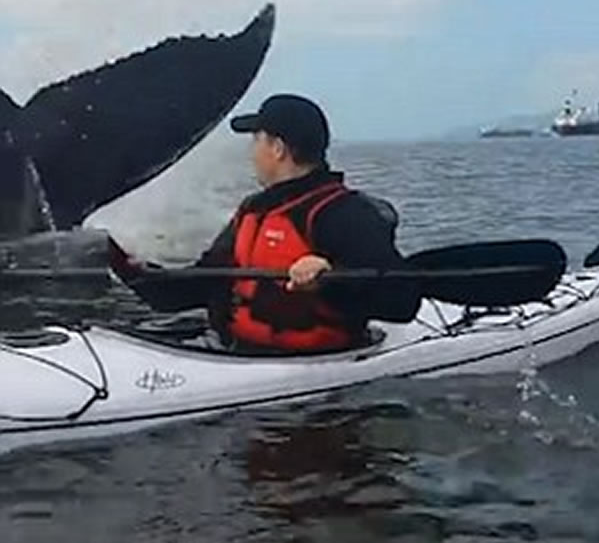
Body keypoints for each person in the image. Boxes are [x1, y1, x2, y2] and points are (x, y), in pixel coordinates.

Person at [110, 94, 421, 353]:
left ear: (278, 148)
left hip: (316, 381)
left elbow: (401, 303)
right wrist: (119, 261)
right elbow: (198, 286)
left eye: (256, 140)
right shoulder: (253, 210)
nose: (251, 153)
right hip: (237, 354)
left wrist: (329, 279)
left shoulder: (343, 213)